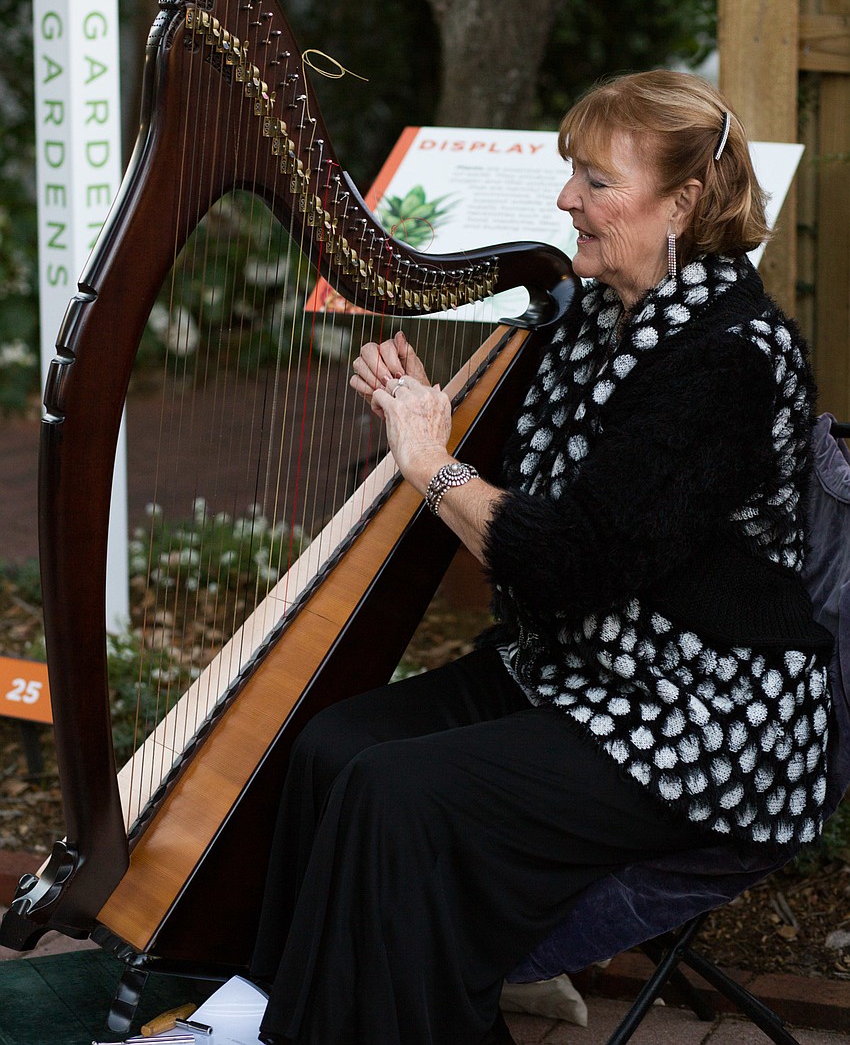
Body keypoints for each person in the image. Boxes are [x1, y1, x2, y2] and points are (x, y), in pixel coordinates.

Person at [250, 70, 832, 1045]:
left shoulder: (731, 357)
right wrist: (408, 408)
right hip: (572, 672)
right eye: (572, 174)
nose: (566, 199)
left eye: (596, 180)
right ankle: (280, 1016)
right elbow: (516, 486)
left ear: (682, 201)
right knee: (328, 747)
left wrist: (430, 462)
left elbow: (569, 559)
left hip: (704, 714)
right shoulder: (589, 319)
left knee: (400, 797)